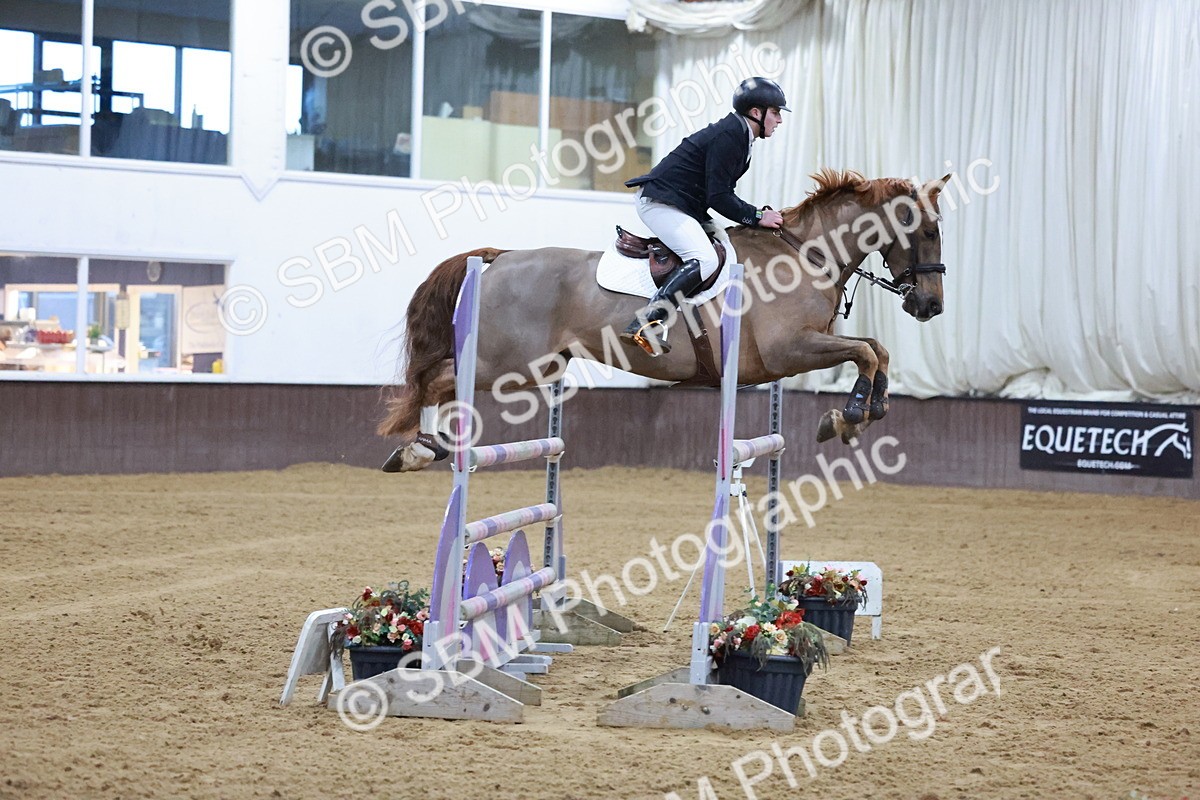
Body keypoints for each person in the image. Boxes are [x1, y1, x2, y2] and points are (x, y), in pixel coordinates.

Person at [621, 76, 788, 355]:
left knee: (730, 245)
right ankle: (645, 323)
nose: (780, 120)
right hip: (661, 202)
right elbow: (719, 197)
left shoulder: (740, 134)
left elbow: (721, 194)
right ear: (756, 113)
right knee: (706, 258)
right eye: (776, 112)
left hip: (684, 204)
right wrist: (757, 216)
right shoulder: (730, 135)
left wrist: (755, 214)